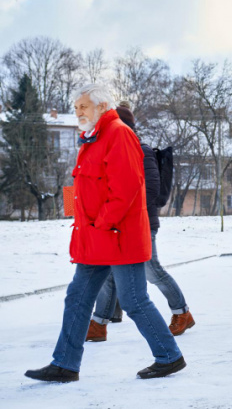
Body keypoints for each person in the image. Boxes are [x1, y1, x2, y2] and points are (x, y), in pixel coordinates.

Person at [24, 84, 185, 382]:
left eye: (83, 106)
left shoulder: (118, 134)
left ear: (102, 106)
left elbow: (125, 190)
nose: (78, 112)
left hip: (118, 236)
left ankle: (169, 356)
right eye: (76, 108)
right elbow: (82, 188)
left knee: (134, 300)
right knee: (77, 297)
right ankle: (65, 364)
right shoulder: (90, 139)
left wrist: (102, 223)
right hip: (96, 240)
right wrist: (79, 221)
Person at [85, 103, 195, 343]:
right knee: (108, 273)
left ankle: (182, 313)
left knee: (151, 271)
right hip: (116, 224)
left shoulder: (140, 150)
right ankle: (98, 324)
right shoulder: (112, 150)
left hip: (141, 224)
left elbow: (152, 190)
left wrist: (122, 207)